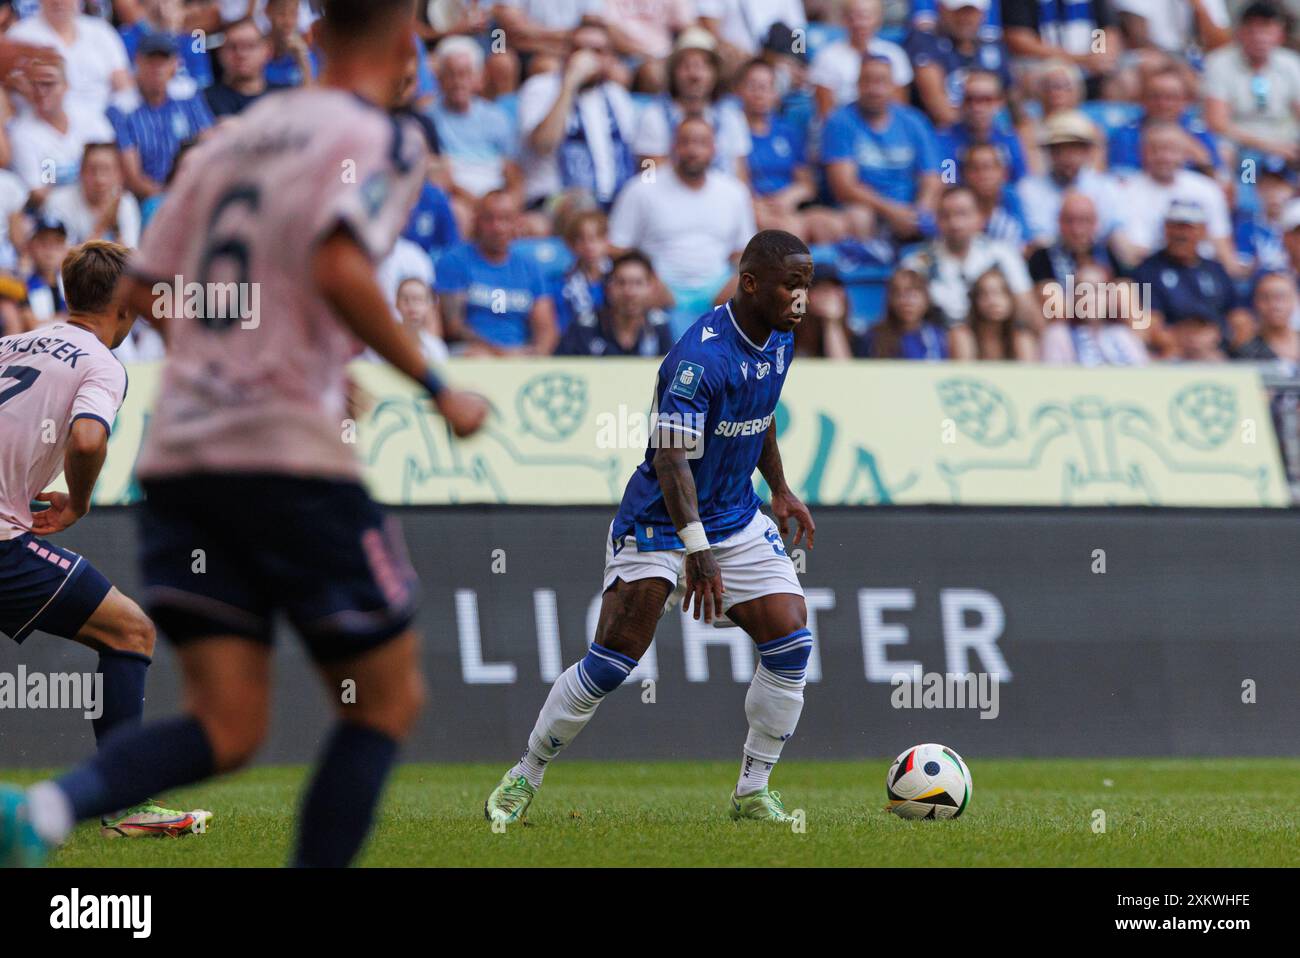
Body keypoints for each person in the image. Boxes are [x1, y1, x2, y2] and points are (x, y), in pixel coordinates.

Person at [0, 0, 489, 870]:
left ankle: (42, 813)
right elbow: (338, 264)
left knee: (226, 726)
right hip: (285, 452)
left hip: (182, 461)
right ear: (406, 45)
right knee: (384, 701)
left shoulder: (228, 141)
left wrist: (240, 356)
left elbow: (149, 291)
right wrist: (434, 382)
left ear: (317, 36)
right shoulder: (386, 133)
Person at [485, 230, 817, 826]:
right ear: (750, 284)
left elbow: (758, 417)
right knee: (613, 662)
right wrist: (698, 551)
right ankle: (525, 773)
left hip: (736, 514)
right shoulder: (698, 360)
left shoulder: (780, 339)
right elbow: (670, 458)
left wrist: (782, 489)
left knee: (791, 642)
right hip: (662, 522)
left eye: (807, 285)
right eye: (792, 284)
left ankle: (752, 791)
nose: (801, 298)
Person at [0, 241, 211, 857]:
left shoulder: (10, 345)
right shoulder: (100, 363)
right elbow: (89, 440)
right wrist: (80, 500)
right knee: (131, 631)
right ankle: (126, 806)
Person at [608, 116, 756, 338]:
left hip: (717, 285)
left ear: (714, 148)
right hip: (659, 284)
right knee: (633, 285)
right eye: (685, 142)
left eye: (701, 143)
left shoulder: (734, 192)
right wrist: (650, 279)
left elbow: (743, 251)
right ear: (673, 146)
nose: (693, 150)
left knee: (758, 287)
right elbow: (616, 247)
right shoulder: (642, 188)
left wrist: (737, 285)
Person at [517, 19, 637, 211]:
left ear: (610, 59)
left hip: (613, 201)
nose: (586, 58)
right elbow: (543, 144)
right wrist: (571, 82)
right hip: (555, 200)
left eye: (597, 51)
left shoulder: (617, 95)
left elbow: (634, 155)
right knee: (583, 205)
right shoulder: (540, 87)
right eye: (579, 49)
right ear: (566, 53)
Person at [822, 55, 942, 243]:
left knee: (951, 207)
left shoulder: (914, 121)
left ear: (893, 86)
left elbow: (933, 175)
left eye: (881, 81)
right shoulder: (840, 121)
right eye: (867, 81)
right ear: (858, 85)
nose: (874, 89)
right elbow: (844, 187)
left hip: (911, 207)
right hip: (868, 209)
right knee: (859, 216)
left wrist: (922, 209)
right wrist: (892, 212)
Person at [436, 189, 559, 354]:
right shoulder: (454, 262)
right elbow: (453, 326)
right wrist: (500, 353)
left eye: (505, 219)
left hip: (520, 354)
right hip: (471, 353)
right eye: (489, 219)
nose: (497, 227)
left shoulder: (530, 268)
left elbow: (546, 328)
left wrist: (537, 354)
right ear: (477, 221)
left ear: (517, 223)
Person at [901, 185, 1037, 331]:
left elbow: (1026, 306)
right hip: (941, 342)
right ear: (936, 220)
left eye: (962, 214)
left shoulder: (1003, 254)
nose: (955, 223)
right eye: (945, 215)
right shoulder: (918, 261)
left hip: (993, 340)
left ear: (980, 217)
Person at [107, 32, 215, 200]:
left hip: (193, 187)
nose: (157, 68)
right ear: (138, 62)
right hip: (150, 197)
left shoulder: (187, 95)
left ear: (175, 64)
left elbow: (209, 143)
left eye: (163, 61)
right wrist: (169, 198)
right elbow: (134, 178)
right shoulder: (122, 109)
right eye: (151, 61)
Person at [1203, 1, 1300, 165]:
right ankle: (1240, 188)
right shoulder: (1219, 63)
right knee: (1227, 154)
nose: (1259, 37)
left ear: (1280, 34)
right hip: (1240, 141)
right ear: (1239, 33)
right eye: (1252, 30)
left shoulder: (1290, 63)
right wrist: (1266, 146)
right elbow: (1217, 121)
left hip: (1284, 138)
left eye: (1266, 30)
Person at [6, 0, 133, 116]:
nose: (58, 2)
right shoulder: (19, 36)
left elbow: (124, 86)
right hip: (43, 125)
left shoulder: (101, 32)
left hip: (102, 121)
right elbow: (12, 92)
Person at [905, 0, 1012, 127]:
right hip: (945, 135)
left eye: (971, 12)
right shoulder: (925, 43)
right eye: (958, 12)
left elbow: (1013, 103)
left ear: (982, 13)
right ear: (942, 9)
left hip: (991, 132)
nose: (965, 19)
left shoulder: (993, 46)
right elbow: (941, 111)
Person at [555, 250, 675, 356]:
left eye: (638, 283)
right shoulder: (585, 327)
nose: (629, 292)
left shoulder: (659, 326)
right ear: (608, 288)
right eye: (621, 283)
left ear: (651, 288)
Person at [810, 0, 912, 115]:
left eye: (866, 16)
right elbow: (826, 112)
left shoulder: (894, 54)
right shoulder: (827, 56)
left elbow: (898, 108)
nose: (859, 23)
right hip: (842, 125)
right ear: (844, 19)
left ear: (878, 18)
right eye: (852, 16)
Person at [42, 142, 142, 248]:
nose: (100, 179)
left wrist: (117, 230)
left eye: (106, 170)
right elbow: (64, 261)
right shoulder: (58, 202)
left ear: (118, 174)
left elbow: (130, 258)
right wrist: (102, 226)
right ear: (81, 172)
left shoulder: (125, 202)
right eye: (92, 170)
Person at [853, 266, 950, 359]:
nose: (906, 301)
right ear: (890, 300)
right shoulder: (871, 338)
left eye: (913, 294)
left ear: (926, 299)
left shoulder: (940, 338)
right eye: (898, 293)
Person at [202, 16, 285, 118]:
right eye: (232, 47)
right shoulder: (204, 101)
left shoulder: (284, 97)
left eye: (250, 46)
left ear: (268, 50)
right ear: (220, 53)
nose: (241, 54)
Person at [960, 267, 1037, 360]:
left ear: (1011, 299)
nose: (993, 301)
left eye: (1000, 292)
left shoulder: (1022, 338)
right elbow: (963, 373)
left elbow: (1028, 373)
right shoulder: (964, 336)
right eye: (984, 294)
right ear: (975, 300)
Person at [1233, 270, 1300, 362]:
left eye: (1281, 297)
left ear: (1294, 301)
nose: (1274, 305)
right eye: (1265, 298)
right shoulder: (1247, 352)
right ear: (1255, 303)